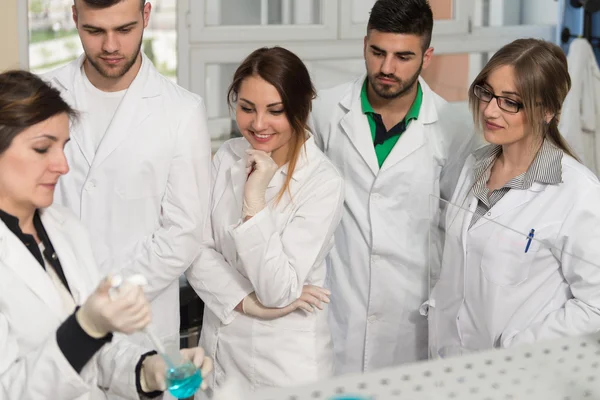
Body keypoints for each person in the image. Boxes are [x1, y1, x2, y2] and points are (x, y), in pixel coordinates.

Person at [0, 70, 212, 399]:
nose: (63, 166)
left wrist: (146, 370)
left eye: (64, 147)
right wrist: (85, 329)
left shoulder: (64, 228)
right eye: (43, 149)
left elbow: (97, 355)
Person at [309, 0, 478, 374]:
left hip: (411, 315)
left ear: (427, 56)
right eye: (377, 52)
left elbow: (454, 229)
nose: (387, 68)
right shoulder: (325, 112)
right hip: (337, 306)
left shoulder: (454, 128)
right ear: (364, 44)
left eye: (403, 56)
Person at [43, 0, 211, 356]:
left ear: (146, 15)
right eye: (94, 30)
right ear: (75, 17)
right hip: (53, 315)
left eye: (124, 29)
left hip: (138, 323)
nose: (110, 46)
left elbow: (185, 232)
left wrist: (111, 299)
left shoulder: (181, 111)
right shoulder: (43, 94)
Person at [428, 38, 600, 357]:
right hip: (449, 363)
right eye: (488, 93)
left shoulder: (580, 194)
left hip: (520, 372)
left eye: (511, 102)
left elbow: (596, 307)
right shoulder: (472, 165)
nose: (491, 110)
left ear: (547, 111)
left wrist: (517, 347)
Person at [185, 46, 344, 390]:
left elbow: (277, 290)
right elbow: (194, 250)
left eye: (275, 111)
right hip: (221, 354)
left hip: (284, 366)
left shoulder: (322, 182)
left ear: (301, 107)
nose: (258, 124)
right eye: (246, 108)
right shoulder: (227, 157)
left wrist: (254, 199)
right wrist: (245, 302)